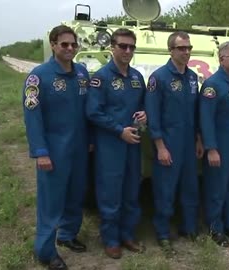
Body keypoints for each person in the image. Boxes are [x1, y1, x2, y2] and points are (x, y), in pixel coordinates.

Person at [22, 25, 89, 270]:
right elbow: (33, 117)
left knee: (75, 195)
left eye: (74, 44)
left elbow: (87, 112)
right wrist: (40, 152)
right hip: (53, 150)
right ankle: (45, 251)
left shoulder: (82, 73)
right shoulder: (38, 77)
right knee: (51, 203)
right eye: (64, 44)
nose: (70, 48)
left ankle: (68, 234)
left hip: (79, 148)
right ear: (53, 45)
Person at [86, 28, 147, 259]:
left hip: (133, 143)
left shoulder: (136, 77)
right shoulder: (101, 78)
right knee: (110, 193)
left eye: (131, 46)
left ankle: (128, 235)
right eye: (123, 46)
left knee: (132, 191)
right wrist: (118, 130)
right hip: (111, 145)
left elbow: (143, 105)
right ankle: (111, 239)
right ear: (112, 47)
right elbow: (93, 112)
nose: (128, 51)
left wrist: (144, 115)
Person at [144, 31, 204, 256]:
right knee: (165, 191)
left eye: (188, 48)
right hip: (168, 143)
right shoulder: (158, 78)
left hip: (189, 144)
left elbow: (196, 111)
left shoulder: (191, 77)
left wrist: (199, 138)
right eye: (181, 48)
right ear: (171, 50)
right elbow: (153, 115)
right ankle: (162, 234)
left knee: (190, 189)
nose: (186, 52)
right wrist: (160, 146)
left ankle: (189, 228)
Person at [199, 41, 229, 247]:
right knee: (216, 188)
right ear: (221, 60)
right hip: (219, 146)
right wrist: (211, 148)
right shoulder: (213, 85)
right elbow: (206, 119)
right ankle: (215, 228)